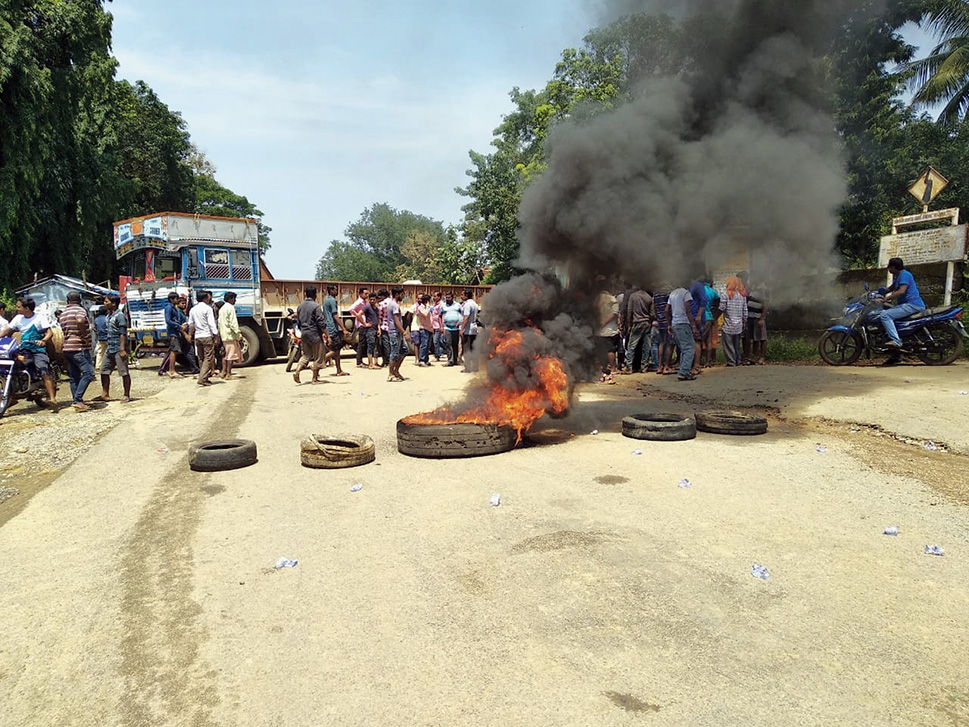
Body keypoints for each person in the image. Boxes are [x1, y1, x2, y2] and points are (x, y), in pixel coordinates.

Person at [1, 297, 57, 409]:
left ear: (26, 308)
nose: (17, 309)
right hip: (24, 349)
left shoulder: (39, 318)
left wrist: (43, 340)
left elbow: (49, 332)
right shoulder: (18, 318)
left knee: (43, 369)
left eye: (19, 307)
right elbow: (8, 330)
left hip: (37, 350)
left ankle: (52, 399)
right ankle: (14, 392)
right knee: (14, 365)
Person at [875, 257, 926, 363]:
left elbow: (901, 291)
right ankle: (895, 356)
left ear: (893, 267)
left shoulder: (905, 275)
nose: (888, 269)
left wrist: (885, 299)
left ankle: (896, 341)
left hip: (912, 305)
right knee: (891, 320)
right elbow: (891, 288)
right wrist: (878, 292)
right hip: (906, 305)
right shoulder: (898, 276)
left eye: (889, 267)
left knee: (885, 315)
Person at [59, 292, 96, 411]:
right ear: (79, 300)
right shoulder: (79, 310)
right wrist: (84, 336)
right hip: (78, 347)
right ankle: (78, 399)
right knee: (89, 373)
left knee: (74, 375)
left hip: (67, 348)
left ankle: (76, 400)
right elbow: (80, 321)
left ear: (67, 300)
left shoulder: (64, 313)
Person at [97, 293, 131, 402]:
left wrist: (122, 349)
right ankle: (105, 394)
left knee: (124, 372)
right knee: (104, 371)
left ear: (113, 303)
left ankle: (126, 395)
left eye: (106, 301)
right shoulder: (109, 316)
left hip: (118, 347)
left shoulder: (120, 316)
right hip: (110, 347)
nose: (104, 303)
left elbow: (122, 333)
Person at [293, 285, 327, 384]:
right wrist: (327, 334)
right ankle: (314, 379)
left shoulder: (300, 306)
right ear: (315, 295)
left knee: (306, 355)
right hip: (315, 334)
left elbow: (298, 321)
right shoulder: (316, 306)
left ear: (305, 294)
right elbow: (320, 322)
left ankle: (297, 371)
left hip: (304, 333)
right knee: (318, 356)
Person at [188, 290, 219, 387]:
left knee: (201, 358)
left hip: (198, 336)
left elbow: (191, 324)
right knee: (209, 357)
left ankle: (204, 377)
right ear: (205, 298)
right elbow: (211, 323)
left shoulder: (193, 309)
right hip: (206, 335)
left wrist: (190, 335)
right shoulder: (208, 308)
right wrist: (216, 335)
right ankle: (202, 378)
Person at [667, 284, 698, 381]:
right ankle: (684, 372)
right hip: (683, 323)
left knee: (684, 349)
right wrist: (693, 325)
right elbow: (688, 310)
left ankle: (684, 370)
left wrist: (669, 324)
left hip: (675, 324)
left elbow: (666, 310)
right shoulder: (685, 293)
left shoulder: (672, 294)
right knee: (689, 349)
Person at [623, 286, 654, 374]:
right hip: (647, 323)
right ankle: (644, 367)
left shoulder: (633, 296)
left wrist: (629, 325)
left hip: (637, 323)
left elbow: (629, 311)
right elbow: (652, 314)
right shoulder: (648, 297)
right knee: (646, 346)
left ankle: (629, 367)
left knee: (632, 346)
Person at [719, 276, 748, 367]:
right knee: (737, 344)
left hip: (728, 325)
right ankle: (737, 360)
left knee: (728, 345)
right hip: (738, 325)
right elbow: (745, 311)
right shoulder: (742, 296)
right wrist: (744, 321)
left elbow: (722, 308)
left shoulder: (725, 295)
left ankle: (731, 362)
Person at [322, 284, 349, 376]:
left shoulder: (326, 300)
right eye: (335, 290)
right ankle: (318, 364)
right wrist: (343, 328)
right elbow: (335, 315)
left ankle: (339, 370)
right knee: (336, 349)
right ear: (331, 290)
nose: (337, 292)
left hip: (328, 327)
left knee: (337, 351)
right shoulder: (332, 301)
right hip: (332, 327)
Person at [744, 275, 769, 365]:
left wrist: (762, 318)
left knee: (761, 338)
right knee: (753, 338)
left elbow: (766, 304)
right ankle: (754, 357)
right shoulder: (752, 288)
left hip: (758, 317)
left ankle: (762, 357)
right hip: (750, 316)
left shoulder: (764, 289)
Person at [596, 288, 620, 376]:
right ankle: (613, 368)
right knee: (610, 350)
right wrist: (604, 322)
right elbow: (614, 313)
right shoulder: (612, 299)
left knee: (601, 350)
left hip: (598, 330)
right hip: (609, 330)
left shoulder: (596, 299)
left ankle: (603, 367)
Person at [384, 286, 407, 382]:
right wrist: (404, 332)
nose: (403, 296)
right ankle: (390, 374)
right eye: (402, 294)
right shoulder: (394, 305)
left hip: (397, 332)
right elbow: (397, 321)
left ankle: (396, 371)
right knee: (394, 353)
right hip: (395, 332)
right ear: (397, 294)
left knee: (404, 350)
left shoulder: (393, 304)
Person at [219, 291, 242, 379]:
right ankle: (228, 374)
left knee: (226, 354)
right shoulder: (230, 308)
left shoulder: (222, 308)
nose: (235, 300)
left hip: (224, 335)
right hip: (230, 335)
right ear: (230, 299)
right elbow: (233, 323)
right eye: (234, 299)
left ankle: (223, 372)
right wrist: (238, 334)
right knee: (231, 355)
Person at [688, 275, 707, 376]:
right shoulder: (690, 286)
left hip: (696, 317)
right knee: (691, 341)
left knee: (696, 340)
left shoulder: (697, 285)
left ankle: (696, 366)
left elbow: (703, 301)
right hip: (691, 317)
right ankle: (691, 365)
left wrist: (699, 315)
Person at [651, 284, 671, 375]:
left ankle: (659, 366)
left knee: (661, 343)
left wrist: (658, 317)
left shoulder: (656, 293)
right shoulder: (668, 291)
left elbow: (654, 307)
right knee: (669, 344)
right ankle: (666, 366)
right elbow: (669, 308)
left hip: (660, 321)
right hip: (668, 321)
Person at [349, 287, 370, 368]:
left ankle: (360, 361)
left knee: (363, 343)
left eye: (367, 294)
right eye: (365, 294)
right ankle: (359, 362)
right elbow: (350, 309)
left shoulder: (364, 302)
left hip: (363, 323)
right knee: (361, 343)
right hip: (362, 324)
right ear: (360, 294)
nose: (367, 295)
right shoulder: (359, 302)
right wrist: (358, 316)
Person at [460, 289, 480, 372]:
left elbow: (466, 317)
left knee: (466, 349)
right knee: (473, 348)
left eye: (462, 294)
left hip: (468, 329)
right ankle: (475, 367)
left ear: (466, 296)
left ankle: (467, 367)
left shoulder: (467, 305)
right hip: (474, 328)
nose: (461, 296)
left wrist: (462, 329)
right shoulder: (475, 304)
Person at [441, 292, 463, 367]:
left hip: (456, 328)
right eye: (446, 297)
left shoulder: (457, 305)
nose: (447, 299)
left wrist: (460, 322)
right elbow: (440, 316)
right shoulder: (443, 306)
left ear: (452, 298)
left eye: (449, 297)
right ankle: (450, 360)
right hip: (447, 327)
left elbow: (463, 314)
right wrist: (441, 326)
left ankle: (455, 360)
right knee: (448, 343)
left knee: (455, 344)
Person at [362, 292, 379, 369]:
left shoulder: (376, 308)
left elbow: (378, 319)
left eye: (373, 300)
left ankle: (375, 362)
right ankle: (370, 364)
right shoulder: (367, 307)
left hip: (375, 329)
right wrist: (365, 324)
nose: (372, 301)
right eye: (371, 299)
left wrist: (379, 329)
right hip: (370, 330)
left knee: (375, 346)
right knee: (370, 346)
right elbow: (358, 314)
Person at [416, 294, 434, 366]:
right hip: (424, 328)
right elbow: (425, 314)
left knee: (428, 345)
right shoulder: (420, 308)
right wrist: (428, 307)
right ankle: (422, 360)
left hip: (429, 328)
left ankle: (426, 359)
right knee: (424, 344)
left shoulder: (428, 307)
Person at [93, 305, 109, 371]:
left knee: (100, 352)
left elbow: (94, 328)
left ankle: (98, 366)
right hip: (108, 337)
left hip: (100, 338)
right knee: (110, 352)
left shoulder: (96, 319)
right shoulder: (107, 318)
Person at [431, 291, 444, 361]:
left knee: (436, 341)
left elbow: (441, 316)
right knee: (437, 341)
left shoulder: (441, 305)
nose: (434, 297)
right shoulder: (435, 304)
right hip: (434, 325)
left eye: (435, 296)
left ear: (439, 297)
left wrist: (442, 326)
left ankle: (437, 356)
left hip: (438, 325)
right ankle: (439, 353)